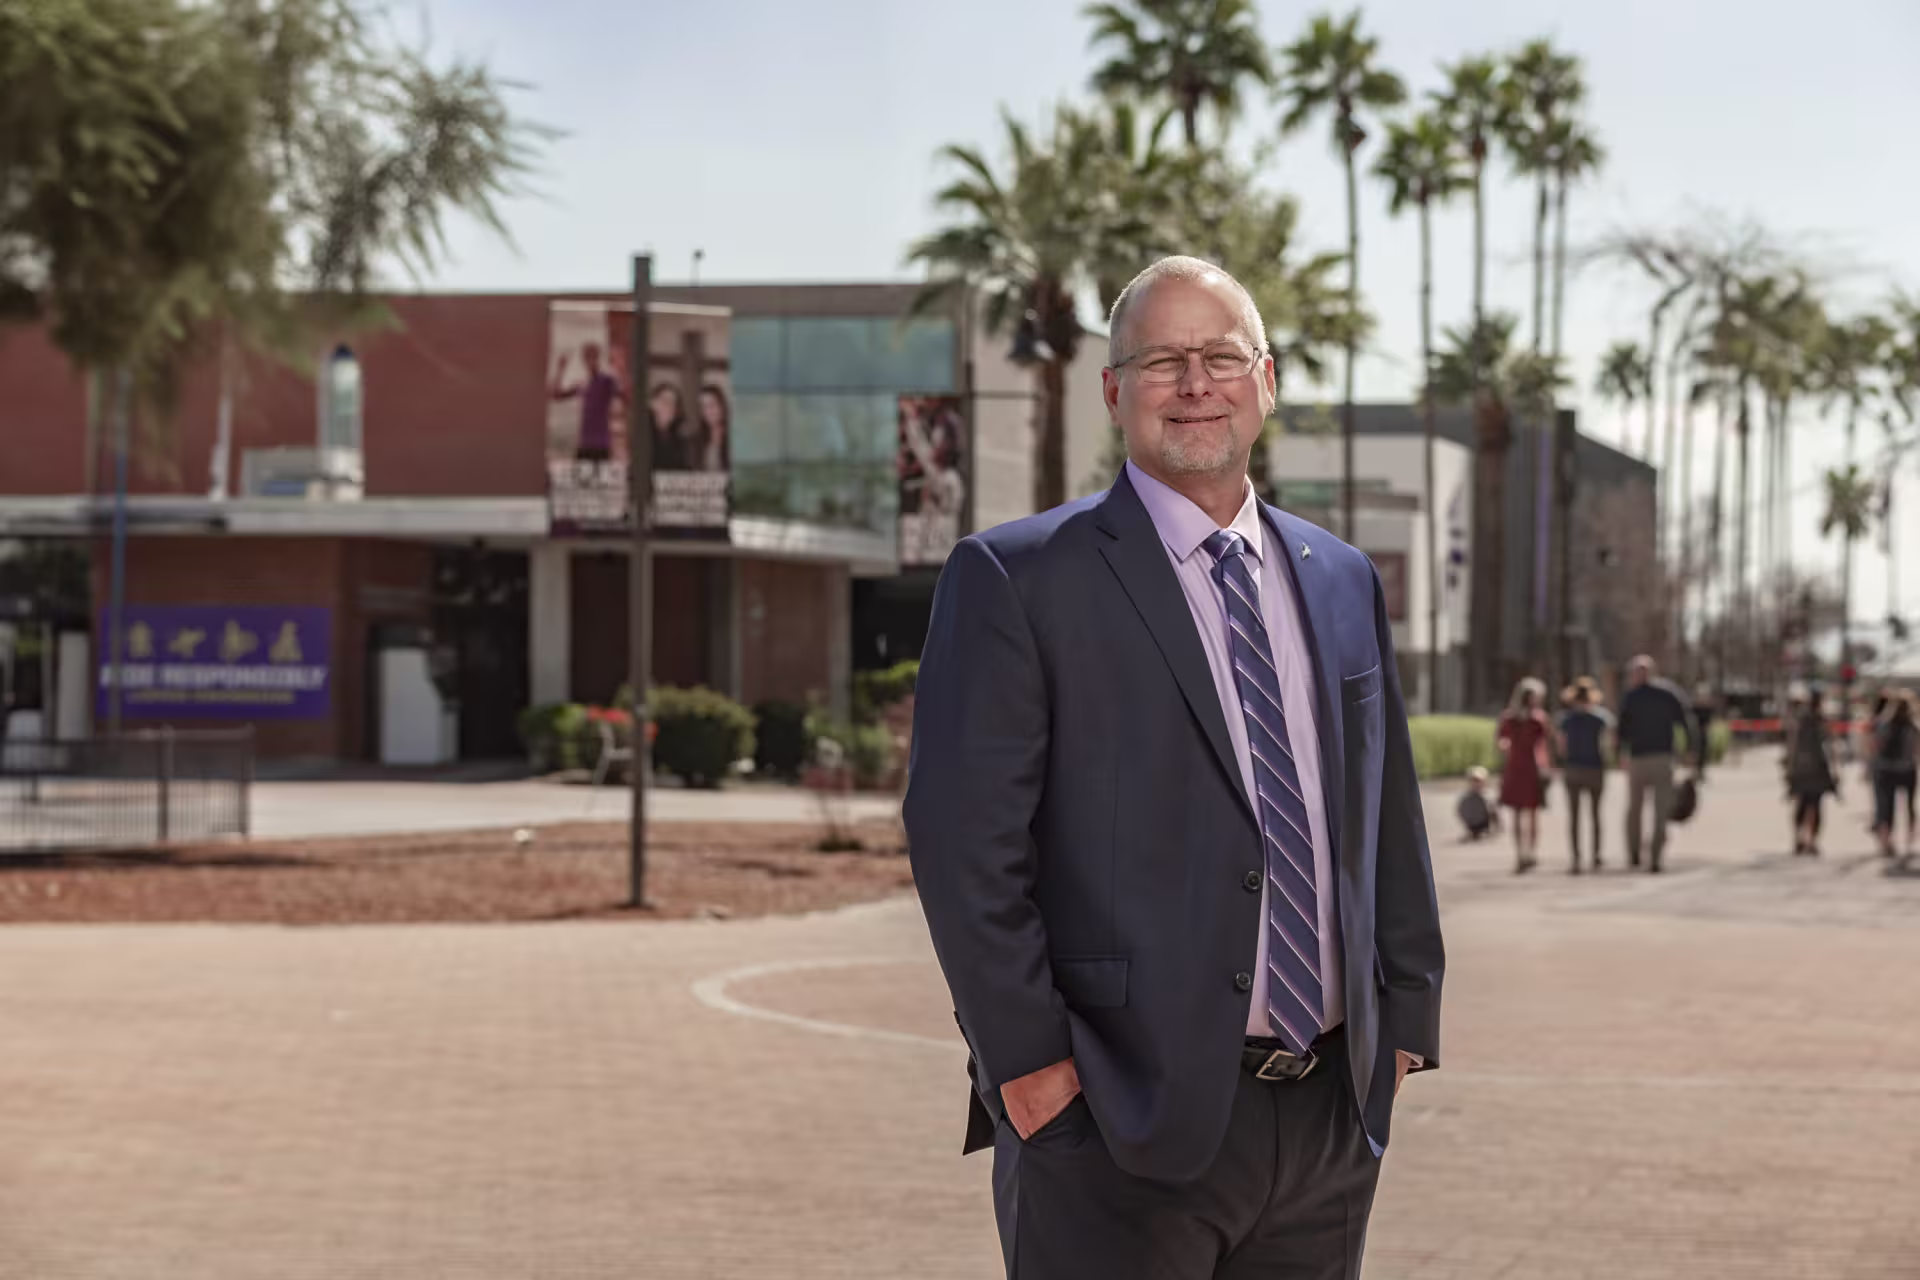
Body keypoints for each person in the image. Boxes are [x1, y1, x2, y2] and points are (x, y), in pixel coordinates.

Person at [906, 256, 1444, 1280]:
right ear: (1114, 390)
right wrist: (1028, 1066)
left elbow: (1385, 807)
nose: (1196, 381)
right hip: (1114, 1120)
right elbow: (963, 842)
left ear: (1267, 380)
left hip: (1328, 1116)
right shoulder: (1017, 578)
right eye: (1162, 359)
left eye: (1221, 355)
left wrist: (1405, 1017)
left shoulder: (1341, 578)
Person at [1616, 655, 1698, 873]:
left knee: (1653, 810)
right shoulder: (1664, 693)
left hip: (1654, 758)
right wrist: (1690, 748)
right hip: (1648, 759)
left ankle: (1649, 857)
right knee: (1643, 810)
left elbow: (1621, 730)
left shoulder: (1641, 695)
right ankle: (1642, 855)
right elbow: (1686, 719)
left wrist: (1689, 748)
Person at [1556, 676, 1614, 874]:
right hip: (1594, 768)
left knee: (1574, 817)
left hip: (1573, 768)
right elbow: (1607, 744)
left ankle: (1576, 858)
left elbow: (1561, 747)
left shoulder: (1565, 719)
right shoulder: (1601, 718)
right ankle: (1596, 855)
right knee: (1595, 815)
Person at [1497, 677, 1551, 874]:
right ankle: (1521, 853)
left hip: (1533, 768)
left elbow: (1544, 745)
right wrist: (1504, 746)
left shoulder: (1538, 719)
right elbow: (1501, 739)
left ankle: (1531, 852)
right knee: (1518, 813)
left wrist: (1546, 767)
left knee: (1533, 812)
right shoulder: (1510, 718)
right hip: (1517, 767)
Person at [548, 341, 625, 463]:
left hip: (601, 445)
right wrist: (560, 369)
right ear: (583, 359)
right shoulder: (582, 383)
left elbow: (623, 393)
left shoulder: (606, 380)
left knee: (600, 481)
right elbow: (556, 395)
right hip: (584, 444)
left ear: (598, 358)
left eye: (593, 356)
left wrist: (619, 366)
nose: (590, 360)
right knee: (580, 480)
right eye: (587, 357)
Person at [1784, 689, 1839, 856]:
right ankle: (1812, 840)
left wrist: (1789, 767)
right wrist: (1835, 770)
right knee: (1815, 805)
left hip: (1801, 769)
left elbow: (1792, 745)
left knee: (1801, 804)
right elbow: (1830, 748)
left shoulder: (1799, 720)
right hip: (1818, 769)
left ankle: (1799, 838)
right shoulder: (1822, 721)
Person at [1869, 689, 1917, 859]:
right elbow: (1916, 750)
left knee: (1885, 807)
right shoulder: (1913, 726)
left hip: (1884, 769)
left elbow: (1874, 746)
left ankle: (1886, 841)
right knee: (1909, 807)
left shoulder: (1882, 724)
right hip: (1907, 769)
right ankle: (1909, 842)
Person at [649, 382, 692, 471]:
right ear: (653, 403)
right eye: (665, 401)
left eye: (673, 403)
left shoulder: (678, 436)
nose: (670, 407)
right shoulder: (643, 434)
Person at [695, 384, 731, 473]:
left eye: (712, 404)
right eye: (703, 406)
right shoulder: (697, 438)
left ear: (722, 406)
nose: (708, 411)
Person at [1457, 765, 1497, 841]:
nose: (1476, 784)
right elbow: (1460, 810)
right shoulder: (1466, 798)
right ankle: (1473, 830)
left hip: (1484, 823)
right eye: (1474, 781)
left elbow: (1493, 812)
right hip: (1471, 823)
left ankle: (1485, 830)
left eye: (1478, 781)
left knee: (1491, 807)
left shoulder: (1486, 797)